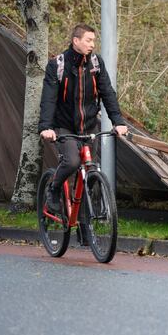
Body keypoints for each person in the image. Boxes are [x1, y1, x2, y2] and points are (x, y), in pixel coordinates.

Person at [38, 23, 128, 213]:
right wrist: (46, 127)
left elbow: (108, 94)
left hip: (89, 127)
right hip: (65, 127)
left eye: (93, 40)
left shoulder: (96, 64)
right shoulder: (57, 65)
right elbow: (48, 99)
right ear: (75, 41)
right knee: (72, 162)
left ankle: (86, 227)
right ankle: (53, 190)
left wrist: (118, 122)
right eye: (88, 40)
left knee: (90, 174)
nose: (92, 44)